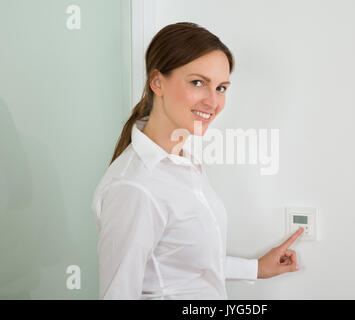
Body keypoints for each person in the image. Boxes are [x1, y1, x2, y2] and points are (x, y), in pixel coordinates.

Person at [91, 22, 304, 300]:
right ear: (157, 82)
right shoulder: (134, 186)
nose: (213, 101)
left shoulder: (184, 162)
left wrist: (256, 268)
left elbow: (184, 264)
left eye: (222, 87)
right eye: (198, 83)